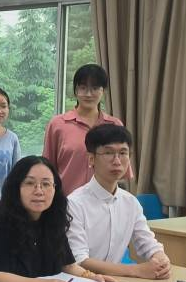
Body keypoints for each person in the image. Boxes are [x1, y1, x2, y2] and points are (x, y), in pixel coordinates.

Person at [0, 157, 115, 282]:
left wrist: (92, 277)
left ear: (55, 188)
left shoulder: (54, 221)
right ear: (16, 188)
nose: (39, 191)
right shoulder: (0, 223)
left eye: (46, 184)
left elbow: (68, 265)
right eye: (30, 183)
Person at [66, 125, 171, 280]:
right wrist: (135, 270)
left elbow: (146, 242)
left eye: (123, 153)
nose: (117, 161)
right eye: (108, 153)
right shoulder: (74, 203)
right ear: (91, 159)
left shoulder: (131, 202)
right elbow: (79, 260)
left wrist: (160, 258)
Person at [43, 64, 132, 195]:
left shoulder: (114, 125)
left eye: (95, 88)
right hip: (66, 200)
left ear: (103, 91)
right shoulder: (58, 124)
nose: (88, 94)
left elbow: (122, 170)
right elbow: (46, 168)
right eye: (83, 88)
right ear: (75, 90)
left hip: (104, 201)